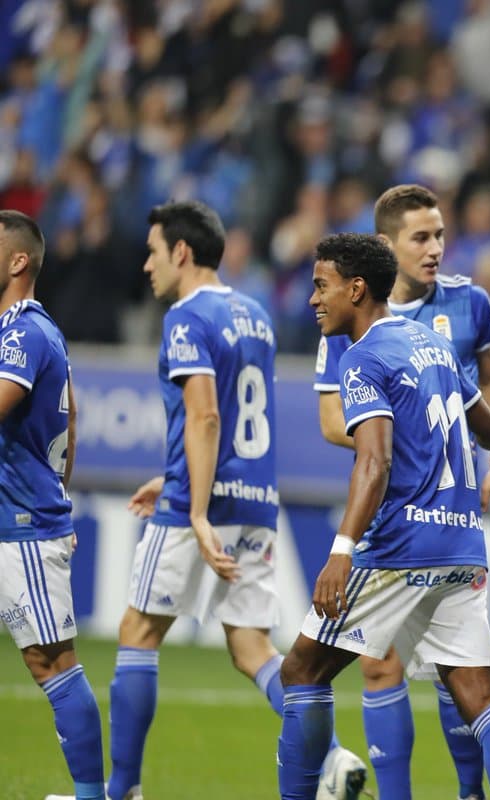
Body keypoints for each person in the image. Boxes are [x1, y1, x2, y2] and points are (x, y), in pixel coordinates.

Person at [108, 201, 363, 800]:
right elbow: (237, 414)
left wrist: (195, 509)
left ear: (181, 252)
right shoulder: (255, 315)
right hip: (255, 502)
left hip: (199, 506)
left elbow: (206, 414)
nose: (146, 265)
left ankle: (121, 792)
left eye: (152, 251)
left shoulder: (185, 316)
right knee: (251, 647)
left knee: (137, 632)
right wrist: (170, 472)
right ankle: (332, 757)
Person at [278, 233, 490, 800]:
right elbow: (487, 425)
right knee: (481, 698)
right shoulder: (432, 344)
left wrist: (341, 551)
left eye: (321, 286)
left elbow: (375, 460)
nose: (313, 299)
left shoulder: (362, 357)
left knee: (301, 671)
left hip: (399, 547)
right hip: (460, 547)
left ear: (356, 289)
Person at [0, 211, 103, 800]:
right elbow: (74, 418)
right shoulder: (24, 331)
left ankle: (91, 795)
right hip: (18, 516)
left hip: (22, 523)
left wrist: (54, 506)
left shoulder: (24, 331)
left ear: (19, 261)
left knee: (53, 663)